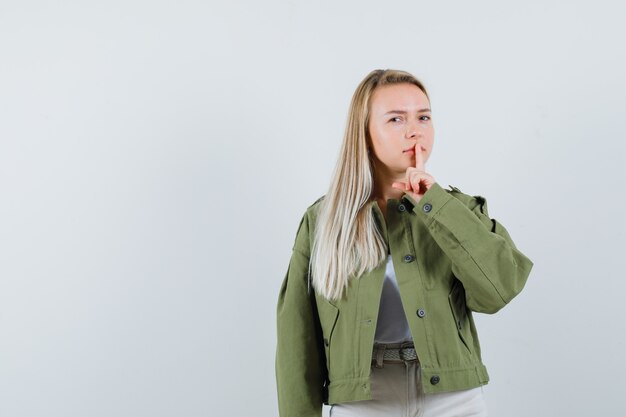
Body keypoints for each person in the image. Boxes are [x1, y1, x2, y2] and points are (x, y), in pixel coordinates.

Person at [275, 69, 534, 417]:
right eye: (396, 119)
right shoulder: (322, 221)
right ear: (365, 133)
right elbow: (297, 340)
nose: (415, 130)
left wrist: (435, 206)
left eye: (423, 117)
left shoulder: (459, 210)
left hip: (453, 398)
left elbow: (500, 289)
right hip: (363, 399)